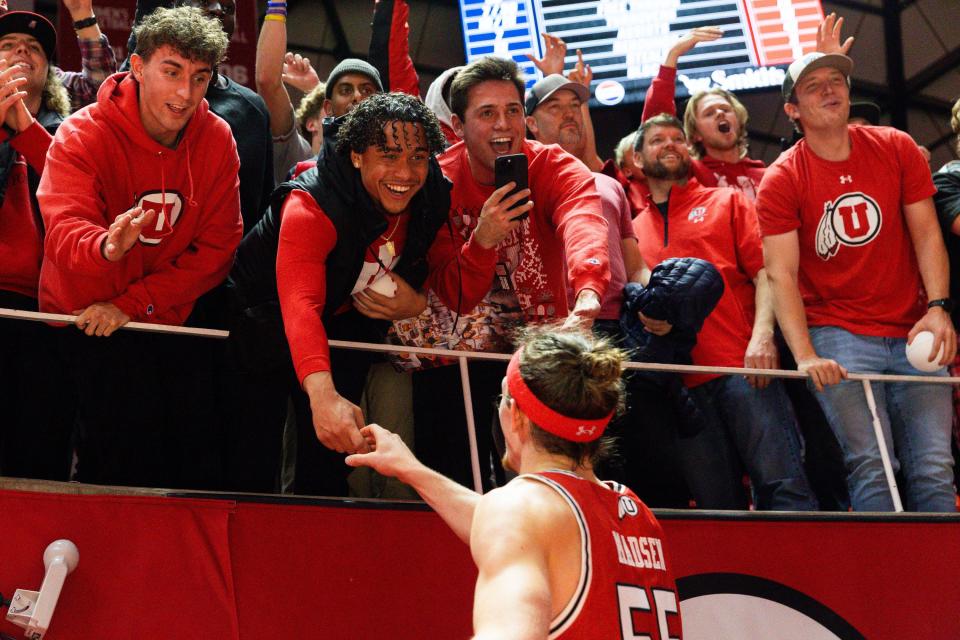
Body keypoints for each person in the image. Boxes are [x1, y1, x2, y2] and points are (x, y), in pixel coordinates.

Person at [348, 328, 683, 639]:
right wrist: (411, 469)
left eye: (502, 397)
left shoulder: (521, 511)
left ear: (517, 414)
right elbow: (522, 532)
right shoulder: (635, 512)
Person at [37, 6, 242, 488]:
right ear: (136, 66)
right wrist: (107, 246)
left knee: (183, 463)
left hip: (160, 317)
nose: (185, 93)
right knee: (98, 461)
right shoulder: (82, 133)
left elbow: (218, 249)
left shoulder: (217, 139)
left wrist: (131, 304)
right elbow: (63, 230)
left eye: (199, 77)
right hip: (79, 318)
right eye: (172, 72)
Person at [758, 52, 957, 512]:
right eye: (814, 86)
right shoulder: (781, 179)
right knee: (872, 464)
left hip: (914, 326)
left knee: (934, 465)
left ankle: (944, 581)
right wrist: (806, 355)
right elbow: (780, 274)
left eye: (836, 80)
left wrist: (939, 307)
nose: (830, 90)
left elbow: (927, 234)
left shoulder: (896, 146)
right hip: (838, 336)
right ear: (792, 109)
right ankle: (883, 580)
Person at [230, 92, 451, 495]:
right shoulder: (311, 203)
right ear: (356, 156)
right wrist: (321, 392)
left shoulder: (432, 191)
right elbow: (300, 306)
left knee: (330, 461)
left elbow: (448, 273)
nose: (405, 172)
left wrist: (418, 303)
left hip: (344, 319)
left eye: (418, 157)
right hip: (257, 319)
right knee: (254, 451)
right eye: (388, 155)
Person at [406, 55, 610, 490]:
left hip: (542, 354)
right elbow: (456, 294)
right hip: (459, 365)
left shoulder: (554, 165)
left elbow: (583, 221)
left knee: (557, 481)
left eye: (513, 110)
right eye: (487, 113)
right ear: (457, 127)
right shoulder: (435, 183)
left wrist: (589, 290)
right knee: (460, 479)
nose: (504, 125)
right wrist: (482, 240)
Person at [631, 113, 817, 510]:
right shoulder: (633, 230)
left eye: (677, 139)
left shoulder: (727, 200)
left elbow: (766, 273)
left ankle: (809, 571)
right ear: (636, 160)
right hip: (679, 385)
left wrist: (763, 337)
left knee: (784, 487)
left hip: (743, 367)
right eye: (657, 140)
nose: (670, 145)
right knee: (717, 507)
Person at [0, 10, 73, 480]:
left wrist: (25, 131)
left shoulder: (69, 128)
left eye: (35, 50)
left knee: (39, 451)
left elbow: (76, 192)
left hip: (46, 312)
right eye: (8, 45)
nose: (23, 53)